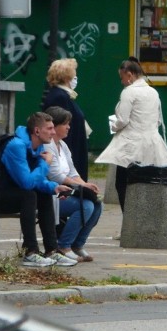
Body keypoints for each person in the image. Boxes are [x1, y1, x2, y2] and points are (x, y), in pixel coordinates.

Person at [0, 111, 76, 267]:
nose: (53, 132)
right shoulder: (16, 146)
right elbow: (27, 183)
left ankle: (51, 250)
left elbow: (36, 180)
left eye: (53, 128)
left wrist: (54, 187)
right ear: (36, 131)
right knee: (29, 195)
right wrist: (45, 164)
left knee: (44, 194)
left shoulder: (38, 146)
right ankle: (30, 252)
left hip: (14, 193)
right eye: (49, 128)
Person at [95, 58, 167, 212]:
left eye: (121, 77)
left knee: (122, 184)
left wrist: (113, 126)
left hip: (130, 146)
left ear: (129, 75)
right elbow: (157, 120)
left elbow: (122, 120)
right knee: (146, 184)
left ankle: (129, 224)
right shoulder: (153, 92)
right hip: (152, 144)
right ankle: (145, 222)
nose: (121, 81)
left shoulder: (129, 92)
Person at [44, 106, 101, 262]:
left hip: (65, 192)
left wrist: (86, 185)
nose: (69, 127)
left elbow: (72, 172)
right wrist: (81, 187)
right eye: (66, 124)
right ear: (54, 127)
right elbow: (55, 175)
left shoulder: (63, 145)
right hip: (52, 194)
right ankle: (64, 246)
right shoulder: (48, 145)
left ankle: (78, 245)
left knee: (97, 204)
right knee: (86, 206)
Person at [42, 58, 90, 181]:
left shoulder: (64, 95)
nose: (75, 78)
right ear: (66, 76)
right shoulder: (60, 96)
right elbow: (61, 124)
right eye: (74, 75)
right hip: (69, 146)